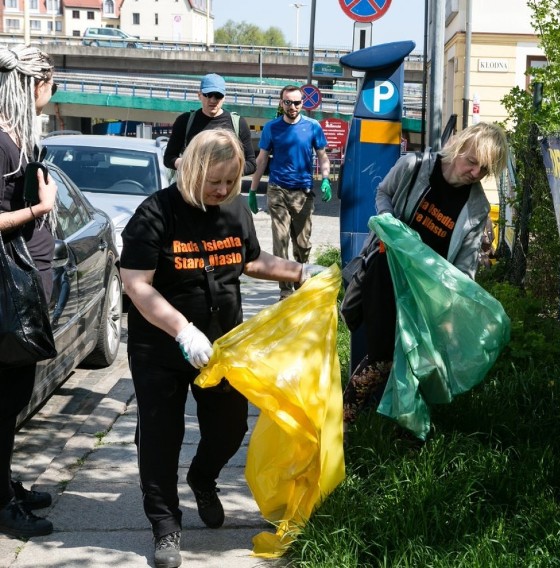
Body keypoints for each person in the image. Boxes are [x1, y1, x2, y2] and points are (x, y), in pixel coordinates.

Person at [120, 129, 322, 568]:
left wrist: (302, 271)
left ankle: (203, 477)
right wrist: (183, 330)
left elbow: (251, 260)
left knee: (230, 428)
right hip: (161, 347)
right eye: (216, 181)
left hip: (223, 347)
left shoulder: (233, 209)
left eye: (232, 181)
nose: (224, 190)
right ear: (192, 170)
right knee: (160, 437)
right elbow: (135, 284)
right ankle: (165, 527)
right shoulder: (155, 214)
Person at [342, 122, 509, 430]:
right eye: (471, 162)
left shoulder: (476, 208)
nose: (475, 173)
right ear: (458, 148)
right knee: (381, 355)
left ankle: (405, 436)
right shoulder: (415, 167)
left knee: (419, 360)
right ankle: (344, 424)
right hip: (386, 271)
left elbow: (463, 267)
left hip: (428, 292)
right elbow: (384, 192)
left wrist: (452, 309)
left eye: (484, 170)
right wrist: (389, 221)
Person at [0, 44, 58, 539]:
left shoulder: (19, 136)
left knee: (13, 398)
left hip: (23, 288)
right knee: (3, 401)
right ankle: (2, 504)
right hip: (6, 295)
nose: (52, 91)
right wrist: (40, 210)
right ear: (32, 84)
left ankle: (4, 485)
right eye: (49, 81)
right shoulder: (0, 141)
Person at [248, 85, 331, 299]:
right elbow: (262, 159)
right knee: (281, 240)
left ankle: (300, 282)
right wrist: (253, 190)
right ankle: (285, 291)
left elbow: (322, 156)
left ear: (302, 103)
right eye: (288, 102)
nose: (292, 106)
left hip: (303, 192)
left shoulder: (313, 127)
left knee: (303, 245)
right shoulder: (272, 128)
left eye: (296, 102)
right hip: (277, 190)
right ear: (281, 103)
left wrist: (325, 179)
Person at [163, 73, 256, 176]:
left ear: (224, 97)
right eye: (208, 95)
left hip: (225, 190)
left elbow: (251, 164)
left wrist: (227, 171)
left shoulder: (238, 123)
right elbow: (169, 158)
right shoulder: (185, 121)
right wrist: (186, 164)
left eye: (218, 96)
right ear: (199, 95)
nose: (213, 100)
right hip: (193, 189)